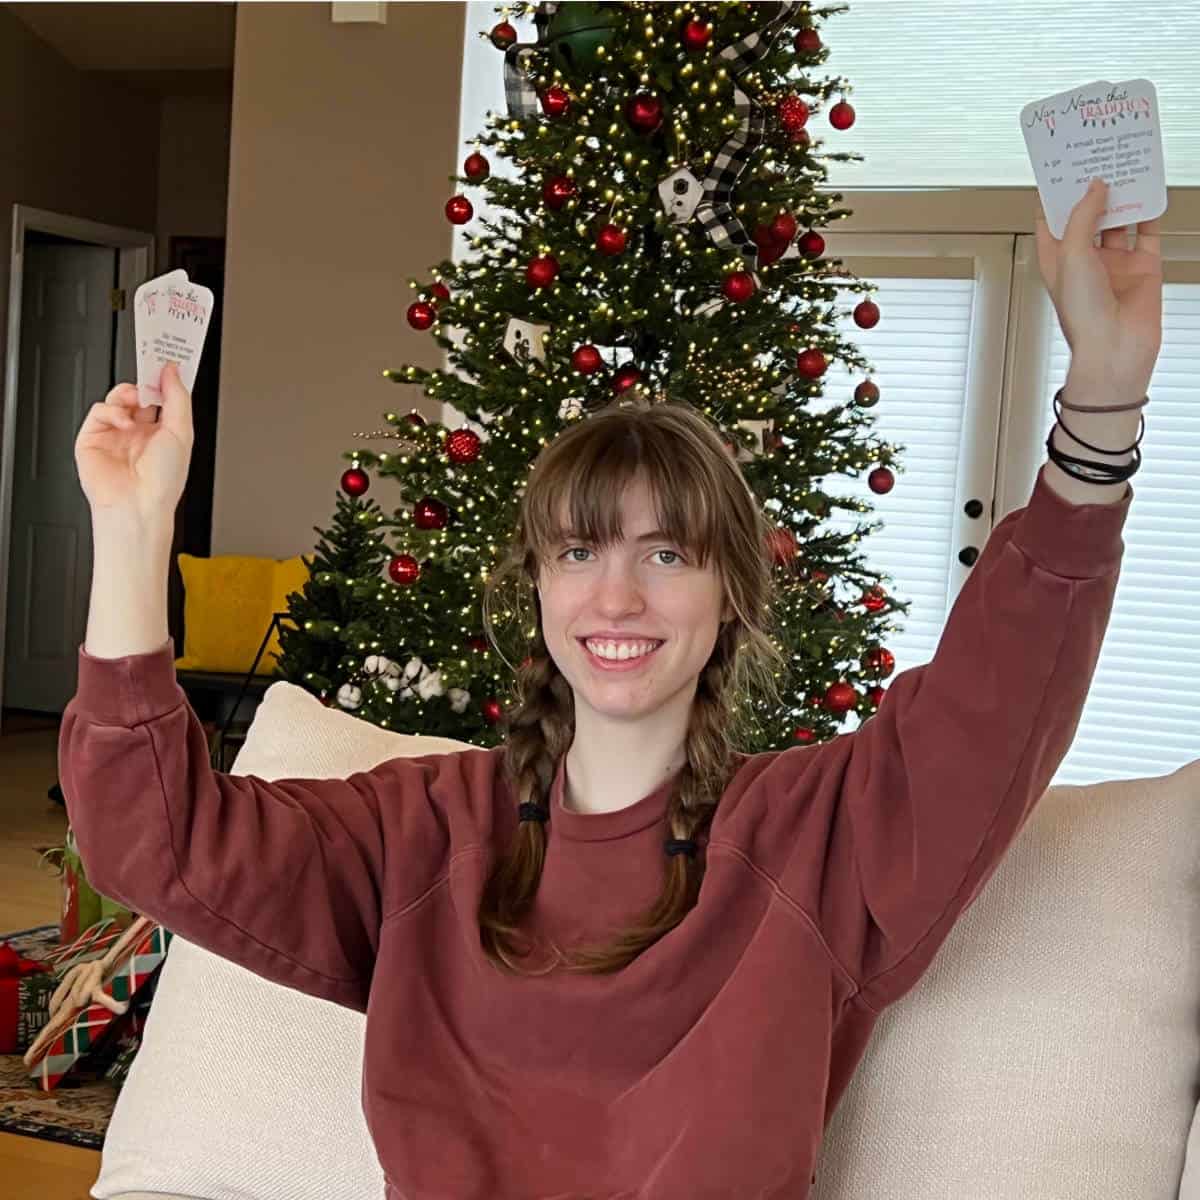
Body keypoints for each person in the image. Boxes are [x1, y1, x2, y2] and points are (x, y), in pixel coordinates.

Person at [61, 178, 1160, 1198]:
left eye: (668, 555)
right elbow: (149, 837)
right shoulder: (419, 832)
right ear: (537, 588)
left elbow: (997, 698)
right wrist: (133, 523)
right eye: (579, 554)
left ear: (732, 591)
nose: (618, 597)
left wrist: (1102, 407)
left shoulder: (819, 835)